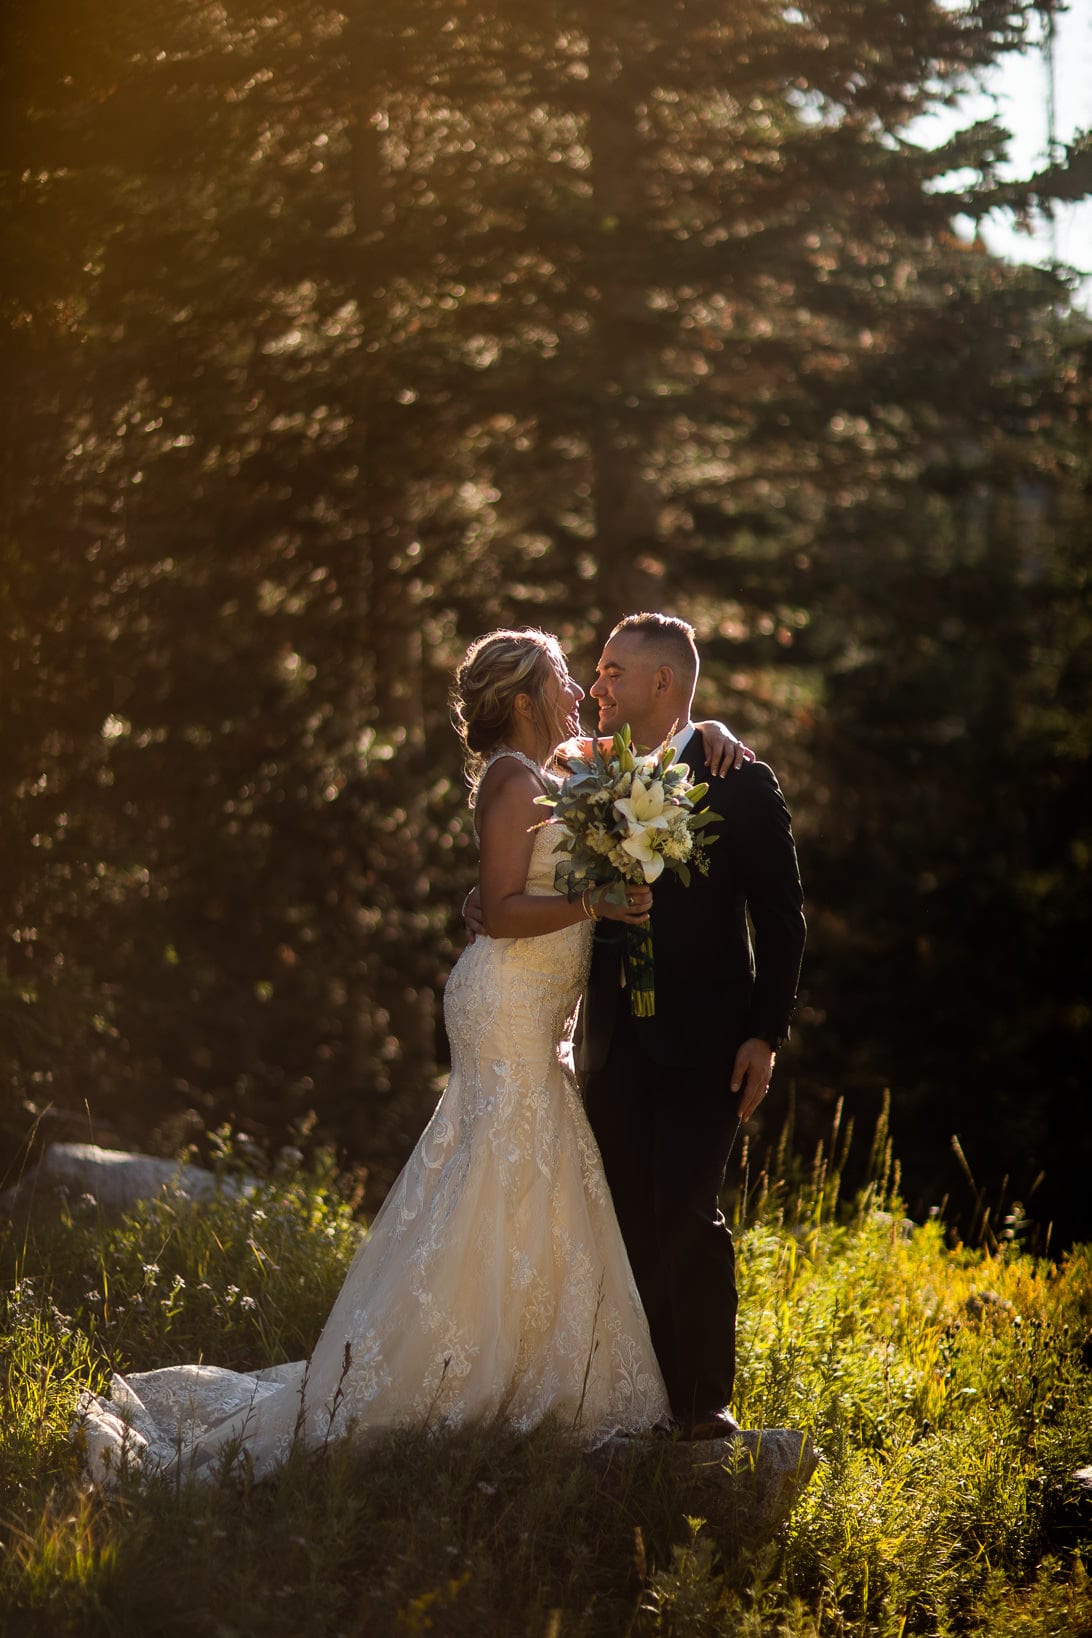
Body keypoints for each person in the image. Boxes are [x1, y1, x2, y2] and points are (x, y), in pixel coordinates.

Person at [79, 628, 685, 1484]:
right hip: (507, 999)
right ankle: (473, 1377)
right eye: (560, 678)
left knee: (516, 1170)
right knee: (513, 1166)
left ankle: (517, 1362)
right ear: (520, 699)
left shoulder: (559, 774)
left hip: (534, 1002)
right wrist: (597, 899)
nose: (577, 690)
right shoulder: (514, 779)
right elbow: (507, 909)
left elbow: (640, 766)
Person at [580, 613, 806, 1439]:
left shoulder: (737, 781)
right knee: (630, 1219)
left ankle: (706, 1405)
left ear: (662, 683)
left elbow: (783, 923)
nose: (596, 686)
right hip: (613, 1040)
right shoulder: (589, 778)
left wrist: (765, 1036)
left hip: (709, 1041)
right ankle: (649, 1401)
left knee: (686, 1211)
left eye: (611, 672)